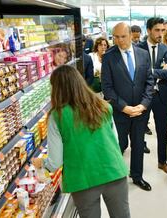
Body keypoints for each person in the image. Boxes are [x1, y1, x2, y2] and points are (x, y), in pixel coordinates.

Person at [32, 65, 130, 218]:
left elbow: (55, 162)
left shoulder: (57, 116)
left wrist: (41, 163)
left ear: (56, 89)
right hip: (114, 171)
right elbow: (115, 141)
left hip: (83, 179)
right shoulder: (103, 106)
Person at [101, 22, 154, 191]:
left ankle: (137, 176)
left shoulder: (144, 54)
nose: (119, 40)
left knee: (138, 145)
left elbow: (149, 82)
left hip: (140, 111)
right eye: (115, 37)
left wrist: (143, 105)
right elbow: (107, 87)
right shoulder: (109, 57)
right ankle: (116, 176)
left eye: (123, 36)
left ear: (131, 35)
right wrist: (124, 107)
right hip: (120, 112)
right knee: (119, 145)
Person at [138, 17, 167, 175]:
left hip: (161, 96)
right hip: (142, 96)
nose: (161, 33)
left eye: (162, 30)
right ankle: (137, 168)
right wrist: (159, 72)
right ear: (148, 30)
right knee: (138, 132)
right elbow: (137, 73)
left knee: (161, 131)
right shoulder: (138, 48)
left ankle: (162, 162)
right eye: (157, 30)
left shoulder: (166, 50)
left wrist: (151, 71)